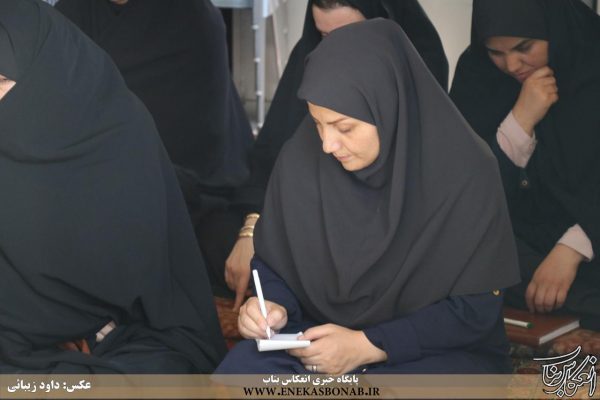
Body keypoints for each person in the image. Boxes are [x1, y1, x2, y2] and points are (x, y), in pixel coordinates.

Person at [215, 18, 521, 375]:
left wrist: (368, 345)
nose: (328, 145)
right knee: (242, 371)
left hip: (425, 350)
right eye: (317, 123)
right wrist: (272, 307)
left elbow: (475, 311)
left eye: (344, 127)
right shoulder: (302, 157)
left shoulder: (465, 171)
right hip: (320, 341)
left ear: (389, 108)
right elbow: (277, 264)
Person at [0, 0, 226, 373]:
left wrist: (71, 327)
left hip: (121, 337)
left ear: (44, 72)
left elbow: (145, 294)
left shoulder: (118, 137)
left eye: (1, 82)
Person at [225, 0, 450, 310]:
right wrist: (251, 231)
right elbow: (277, 161)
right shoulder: (311, 61)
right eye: (325, 36)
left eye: (345, 127)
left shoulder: (416, 69)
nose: (328, 144)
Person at [55, 0, 254, 297]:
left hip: (192, 189)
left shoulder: (192, 16)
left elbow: (205, 139)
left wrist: (144, 173)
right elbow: (56, 108)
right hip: (93, 174)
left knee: (229, 260)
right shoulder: (71, 13)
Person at [450, 0, 600, 330]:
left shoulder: (592, 60)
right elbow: (468, 194)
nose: (511, 65)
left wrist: (573, 248)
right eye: (496, 52)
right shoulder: (477, 72)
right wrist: (520, 121)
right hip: (519, 246)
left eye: (524, 47)